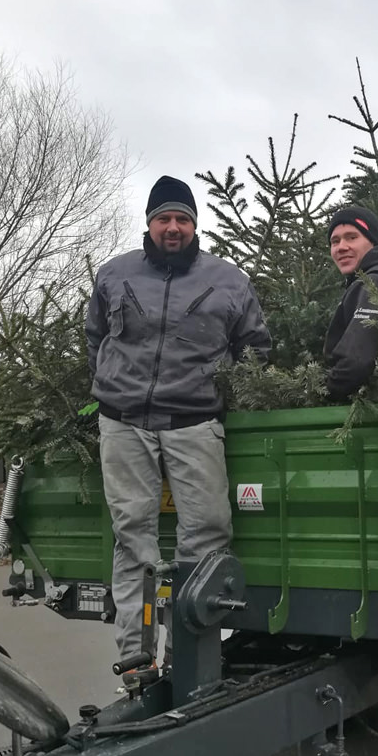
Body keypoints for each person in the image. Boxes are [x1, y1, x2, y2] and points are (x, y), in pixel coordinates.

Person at [85, 176, 271, 674]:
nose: (173, 227)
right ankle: (136, 655)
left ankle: (191, 652)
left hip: (194, 422)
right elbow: (95, 339)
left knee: (208, 531)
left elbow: (255, 348)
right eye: (164, 218)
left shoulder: (229, 280)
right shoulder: (113, 275)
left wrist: (223, 395)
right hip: (124, 422)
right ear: (149, 223)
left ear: (194, 225)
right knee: (133, 535)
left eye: (182, 219)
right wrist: (111, 384)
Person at [323, 205, 378, 400]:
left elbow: (357, 360)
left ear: (373, 241)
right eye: (335, 241)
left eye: (352, 237)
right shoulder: (376, 278)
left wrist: (322, 394)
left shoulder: (377, 280)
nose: (341, 247)